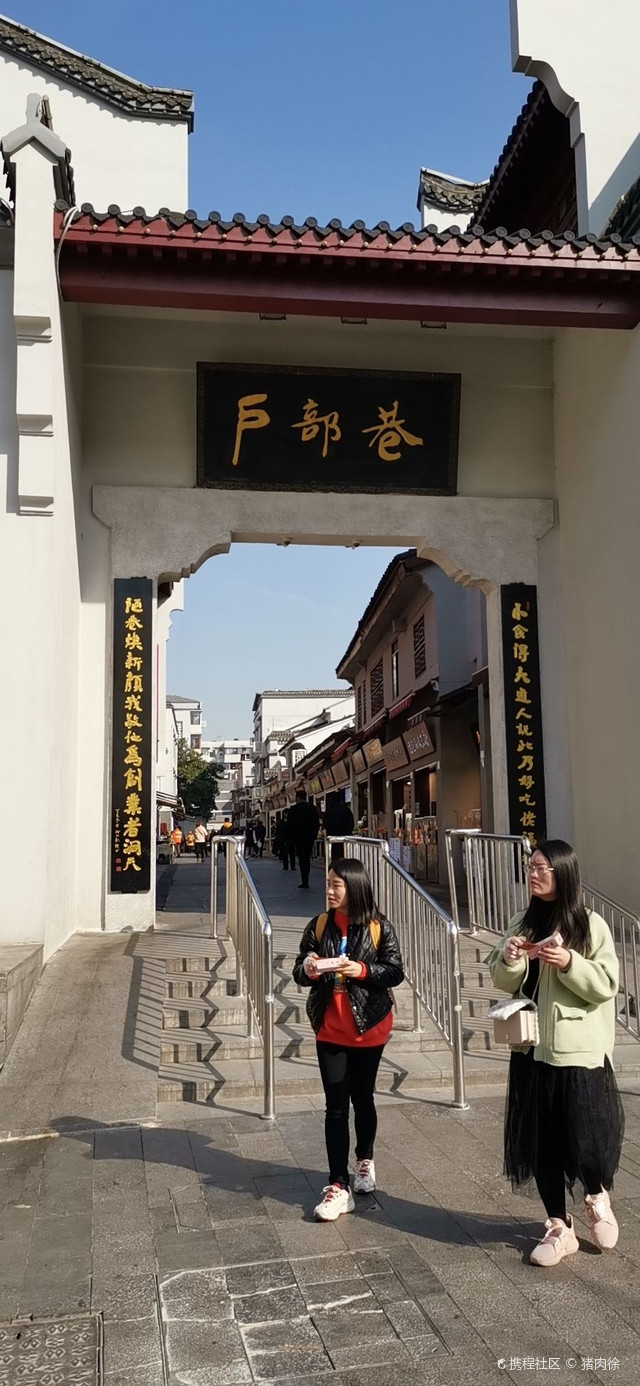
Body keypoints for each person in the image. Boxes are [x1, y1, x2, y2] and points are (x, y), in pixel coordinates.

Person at [487, 839, 624, 1268]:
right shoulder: (521, 922)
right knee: (542, 1141)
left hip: (577, 1051)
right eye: (530, 867)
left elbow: (606, 984)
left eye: (541, 868)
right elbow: (501, 979)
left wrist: (568, 962)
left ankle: (596, 1196)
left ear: (563, 872)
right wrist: (510, 957)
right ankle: (559, 1227)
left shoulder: (590, 925)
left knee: (587, 1137)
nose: (533, 874)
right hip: (531, 1047)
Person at [293, 856, 404, 1221]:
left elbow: (395, 971)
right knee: (335, 1107)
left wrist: (361, 969)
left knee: (363, 1097)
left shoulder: (378, 927)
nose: (329, 890)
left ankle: (365, 1159)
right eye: (328, 884)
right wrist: (308, 968)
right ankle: (338, 1185)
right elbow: (299, 969)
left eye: (336, 885)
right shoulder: (319, 924)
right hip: (330, 1027)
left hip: (369, 1027)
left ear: (354, 888)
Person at [287, 789, 319, 889]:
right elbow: (316, 824)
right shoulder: (312, 808)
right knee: (307, 858)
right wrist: (314, 835)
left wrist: (291, 839)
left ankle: (304, 880)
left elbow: (289, 826)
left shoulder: (293, 809)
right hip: (309, 838)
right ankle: (306, 880)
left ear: (297, 798)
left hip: (298, 839)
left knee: (302, 859)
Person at [323, 793, 355, 865]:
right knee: (344, 856)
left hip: (332, 838)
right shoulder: (346, 810)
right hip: (345, 838)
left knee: (334, 857)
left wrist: (330, 832)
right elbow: (351, 823)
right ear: (341, 800)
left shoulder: (329, 811)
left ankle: (334, 868)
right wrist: (348, 833)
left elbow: (325, 824)